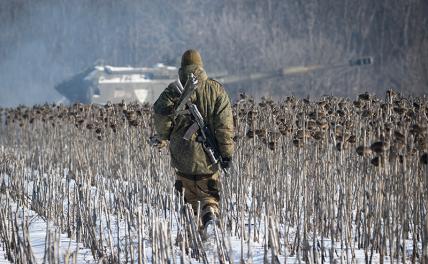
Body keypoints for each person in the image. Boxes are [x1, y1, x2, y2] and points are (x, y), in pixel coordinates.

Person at [153, 49, 234, 235]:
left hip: (182, 157)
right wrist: (227, 154)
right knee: (209, 195)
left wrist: (166, 135)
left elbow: (162, 122)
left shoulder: (171, 91)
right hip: (208, 158)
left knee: (188, 197)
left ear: (182, 68)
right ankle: (210, 218)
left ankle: (194, 233)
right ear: (200, 66)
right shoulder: (216, 90)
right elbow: (224, 127)